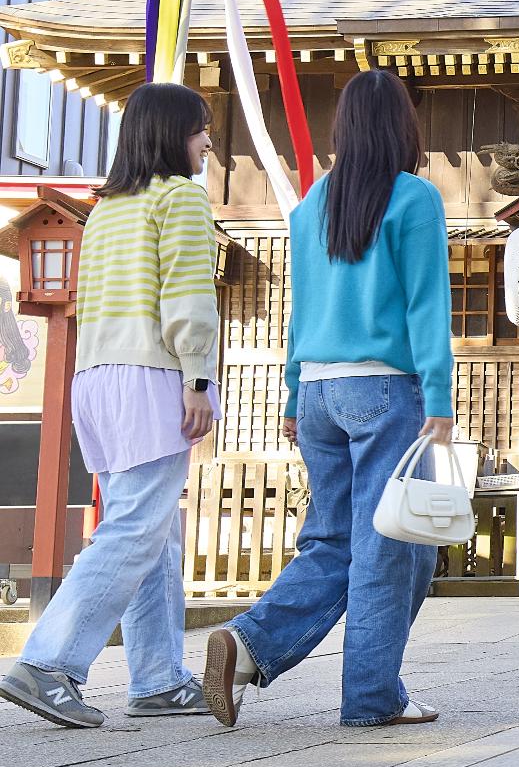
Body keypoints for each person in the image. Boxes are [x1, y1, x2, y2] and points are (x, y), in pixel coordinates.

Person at [204, 69, 453, 728]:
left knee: (336, 541)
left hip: (316, 391)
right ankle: (372, 696)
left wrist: (291, 393)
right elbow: (428, 307)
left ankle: (249, 642)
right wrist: (442, 399)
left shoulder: (310, 206)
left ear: (343, 129)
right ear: (403, 125)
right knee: (391, 546)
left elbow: (299, 311)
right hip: (383, 391)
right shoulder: (414, 198)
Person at [0, 83, 219, 728]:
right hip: (151, 376)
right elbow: (187, 300)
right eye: (201, 128)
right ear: (174, 133)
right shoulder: (180, 197)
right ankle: (48, 662)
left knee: (152, 530)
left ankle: (156, 677)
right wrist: (199, 381)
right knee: (134, 529)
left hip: (96, 380)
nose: (207, 141)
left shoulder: (107, 210)